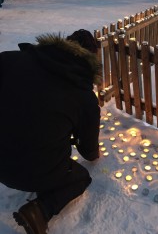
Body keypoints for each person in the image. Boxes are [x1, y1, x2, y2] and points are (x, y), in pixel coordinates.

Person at [0, 29, 100, 234]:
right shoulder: (84, 97)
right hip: (31, 172)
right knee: (80, 177)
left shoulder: (9, 60)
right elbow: (89, 153)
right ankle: (39, 211)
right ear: (90, 60)